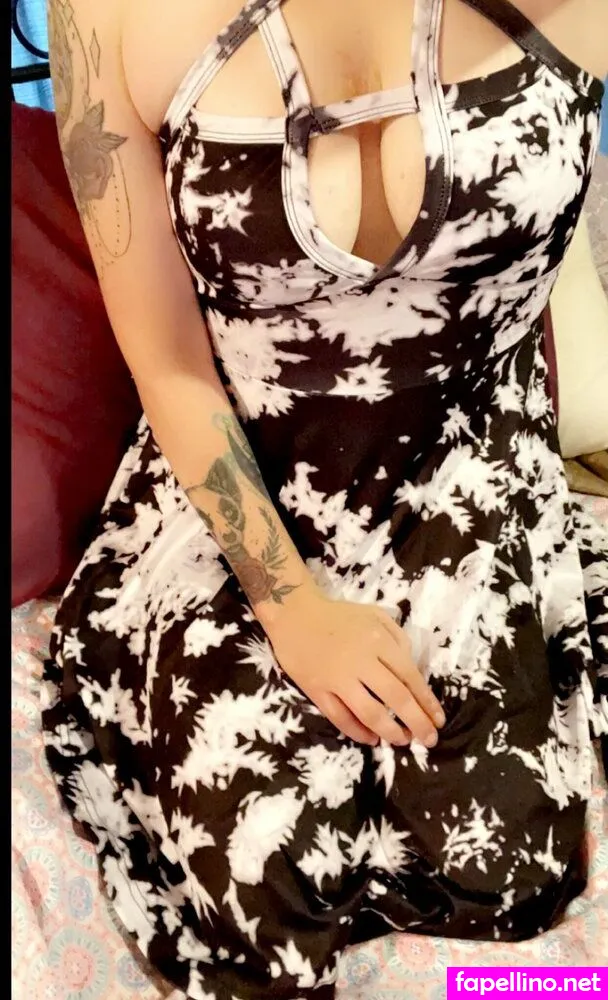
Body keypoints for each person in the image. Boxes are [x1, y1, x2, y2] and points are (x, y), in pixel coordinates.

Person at [42, 0, 608, 997]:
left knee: (497, 869)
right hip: (243, 499)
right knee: (256, 880)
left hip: (469, 482)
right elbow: (167, 360)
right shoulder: (103, 11)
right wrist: (291, 606)